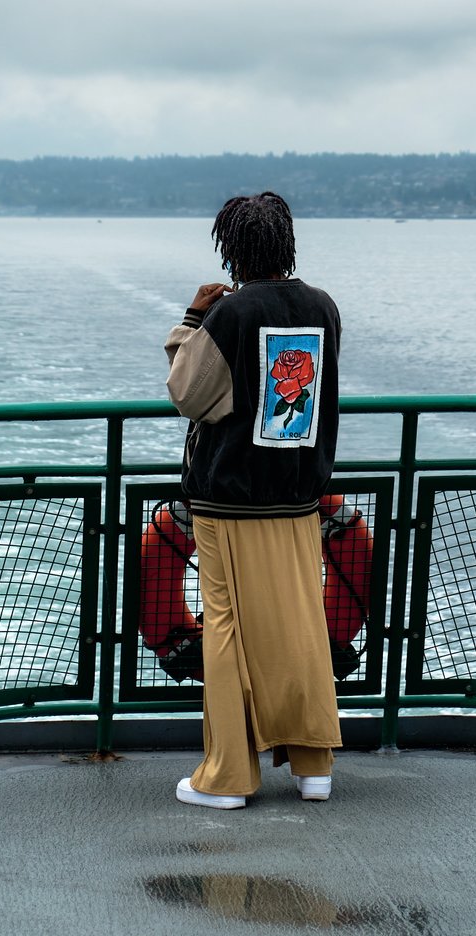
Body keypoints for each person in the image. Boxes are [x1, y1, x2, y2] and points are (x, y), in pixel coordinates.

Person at [164, 191, 342, 809]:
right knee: (299, 623)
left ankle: (229, 777)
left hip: (229, 503)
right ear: (286, 243)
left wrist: (191, 318)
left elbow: (187, 392)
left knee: (226, 627)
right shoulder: (323, 308)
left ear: (232, 248)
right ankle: (313, 767)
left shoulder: (232, 314)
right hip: (297, 496)